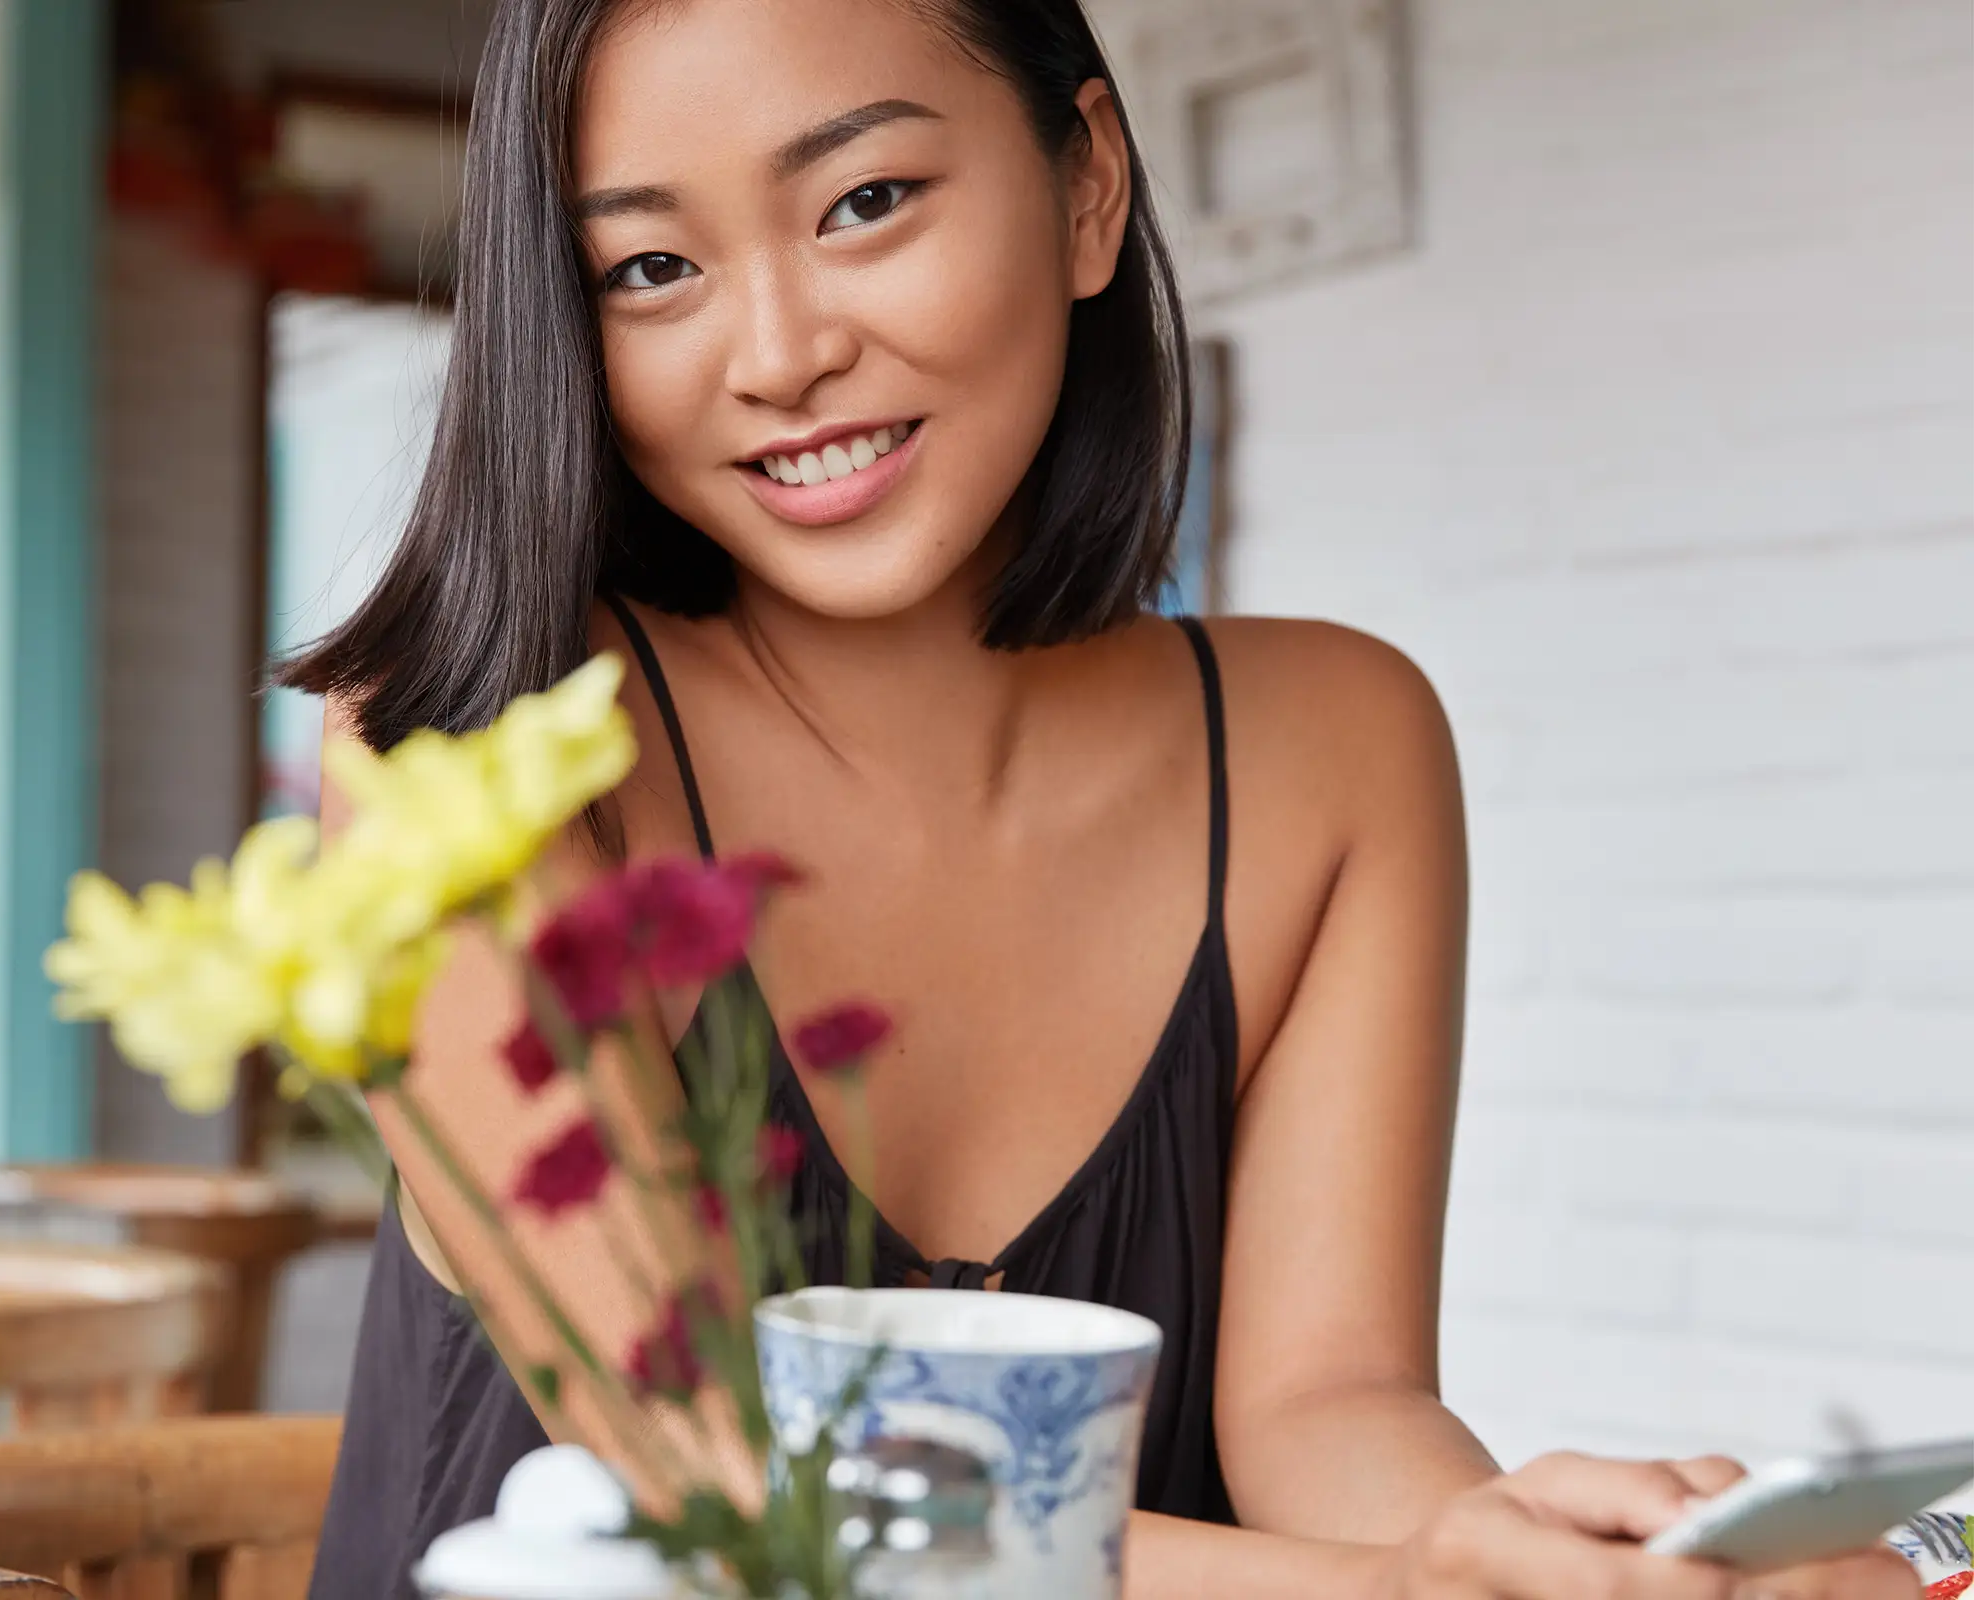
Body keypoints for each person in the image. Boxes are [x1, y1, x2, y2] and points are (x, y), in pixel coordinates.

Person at [287, 1, 1916, 1596]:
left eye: (864, 203)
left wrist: (1538, 1565)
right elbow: (702, 1467)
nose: (782, 354)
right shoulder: (471, 764)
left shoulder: (1336, 745)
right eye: (651, 268)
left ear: (1087, 186)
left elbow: (1324, 1404)